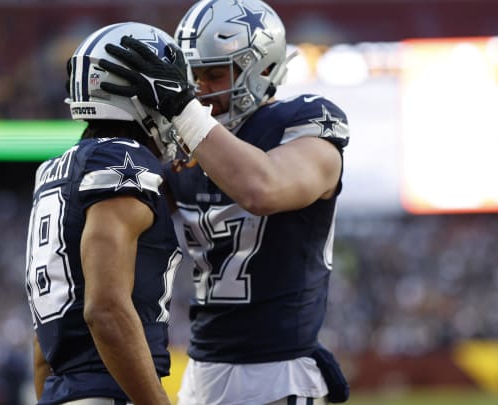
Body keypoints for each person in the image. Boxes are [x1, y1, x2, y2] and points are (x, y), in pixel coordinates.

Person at [97, 1, 351, 404]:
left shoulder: (306, 127)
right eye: (189, 77)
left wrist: (184, 112)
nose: (198, 90)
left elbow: (261, 190)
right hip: (202, 370)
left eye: (214, 74)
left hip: (276, 374)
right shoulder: (186, 147)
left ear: (263, 68)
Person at [24, 22, 184, 405]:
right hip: (110, 392)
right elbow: (106, 309)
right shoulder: (121, 162)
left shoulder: (56, 172)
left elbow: (44, 349)